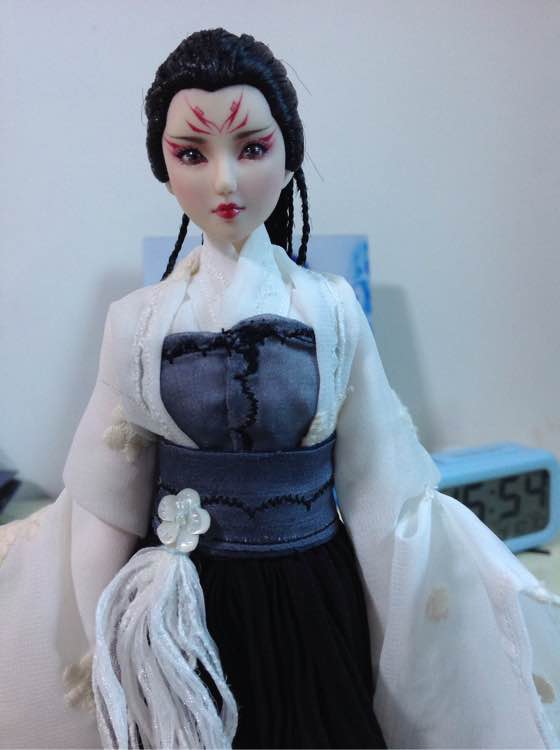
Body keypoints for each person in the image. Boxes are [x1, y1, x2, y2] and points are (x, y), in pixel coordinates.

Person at [1, 27, 559, 750]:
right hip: (182, 609)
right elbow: (106, 502)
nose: (224, 182)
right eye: (193, 154)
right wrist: (106, 642)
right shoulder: (136, 323)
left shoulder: (332, 309)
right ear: (163, 165)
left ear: (289, 153)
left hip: (312, 592)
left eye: (252, 148)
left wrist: (452, 589)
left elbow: (380, 491)